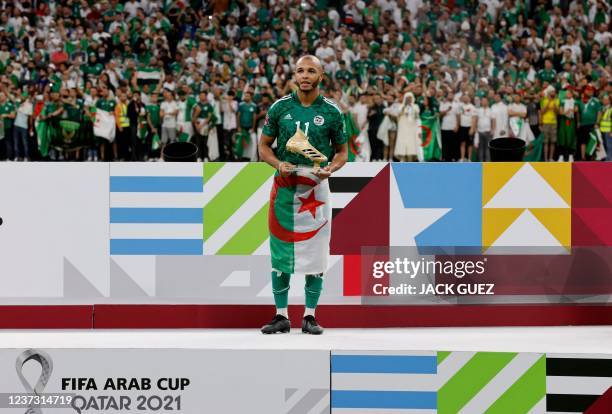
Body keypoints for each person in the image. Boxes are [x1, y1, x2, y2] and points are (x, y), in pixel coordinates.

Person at [258, 55, 347, 335]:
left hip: (316, 188)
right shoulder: (280, 108)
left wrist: (331, 167)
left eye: (311, 71)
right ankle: (281, 315)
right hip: (285, 187)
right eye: (300, 71)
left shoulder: (332, 112)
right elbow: (264, 147)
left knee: (317, 251)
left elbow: (343, 151)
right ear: (294, 76)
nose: (305, 75)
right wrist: (277, 163)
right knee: (280, 249)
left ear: (321, 76)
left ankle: (310, 316)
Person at [394, 92, 420, 162]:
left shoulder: (416, 106)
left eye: (410, 98)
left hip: (412, 129)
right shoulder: (401, 106)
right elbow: (398, 115)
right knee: (402, 146)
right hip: (403, 129)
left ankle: (410, 164)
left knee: (411, 147)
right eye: (407, 98)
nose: (409, 99)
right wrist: (404, 106)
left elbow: (417, 116)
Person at [540, 87, 559, 161]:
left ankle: (551, 158)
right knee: (546, 142)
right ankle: (545, 158)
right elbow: (542, 112)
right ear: (548, 93)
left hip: (554, 122)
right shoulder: (544, 100)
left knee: (553, 141)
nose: (553, 93)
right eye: (552, 92)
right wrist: (548, 102)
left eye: (554, 92)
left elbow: (557, 112)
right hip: (546, 122)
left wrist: (553, 103)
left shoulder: (557, 100)